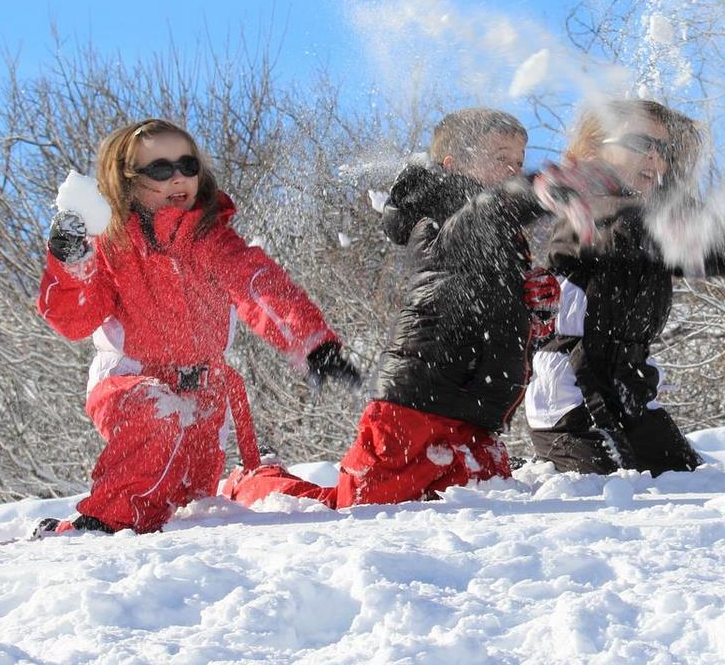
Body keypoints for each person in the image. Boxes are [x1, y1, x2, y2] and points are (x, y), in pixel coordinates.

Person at [227, 107, 592, 507]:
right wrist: (534, 188)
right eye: (500, 157)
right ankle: (253, 482)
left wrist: (534, 315)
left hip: (477, 416)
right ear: (454, 166)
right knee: (350, 506)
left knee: (472, 505)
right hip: (416, 405)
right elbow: (483, 217)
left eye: (518, 162)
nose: (511, 168)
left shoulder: (505, 239)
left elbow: (492, 309)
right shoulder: (439, 217)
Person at [35, 117, 359, 536]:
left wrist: (312, 341)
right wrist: (72, 264)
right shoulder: (112, 246)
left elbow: (258, 286)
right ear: (128, 182)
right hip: (130, 381)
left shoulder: (211, 239)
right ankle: (93, 527)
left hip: (206, 393)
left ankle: (244, 490)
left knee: (181, 501)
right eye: (160, 169)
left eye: (188, 165)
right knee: (156, 422)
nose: (179, 177)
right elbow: (74, 320)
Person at [524, 99, 725, 475]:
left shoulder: (657, 219)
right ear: (595, 148)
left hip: (630, 388)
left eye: (665, 151)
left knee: (686, 478)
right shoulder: (588, 208)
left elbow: (681, 244)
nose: (655, 160)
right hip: (572, 393)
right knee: (615, 486)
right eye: (641, 144)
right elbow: (630, 231)